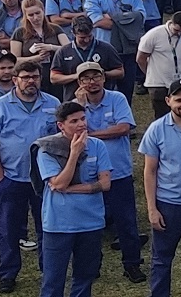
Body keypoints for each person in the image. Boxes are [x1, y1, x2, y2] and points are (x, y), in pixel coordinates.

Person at [0, 58, 60, 293]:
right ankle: (8, 273)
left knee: (47, 227)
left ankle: (50, 269)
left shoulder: (53, 103)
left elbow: (59, 138)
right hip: (12, 178)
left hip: (44, 179)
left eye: (35, 76)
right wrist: (0, 176)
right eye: (25, 78)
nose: (31, 81)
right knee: (8, 228)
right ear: (15, 80)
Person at [70, 61, 145, 283]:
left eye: (95, 77)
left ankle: (132, 264)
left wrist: (91, 135)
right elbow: (73, 132)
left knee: (126, 222)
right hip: (89, 174)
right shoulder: (75, 106)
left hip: (118, 172)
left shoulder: (117, 98)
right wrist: (81, 107)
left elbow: (124, 128)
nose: (91, 82)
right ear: (79, 83)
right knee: (91, 224)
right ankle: (92, 266)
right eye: (85, 78)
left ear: (104, 78)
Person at [35, 100, 111, 297]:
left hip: (91, 222)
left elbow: (105, 184)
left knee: (85, 277)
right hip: (59, 224)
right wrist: (75, 153)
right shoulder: (47, 148)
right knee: (53, 280)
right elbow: (59, 183)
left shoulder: (98, 146)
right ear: (61, 125)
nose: (81, 124)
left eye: (83, 119)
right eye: (74, 121)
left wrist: (71, 189)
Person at [50, 15, 124, 101]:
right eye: (82, 37)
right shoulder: (64, 51)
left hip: (103, 100)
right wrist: (77, 76)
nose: (87, 40)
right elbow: (54, 78)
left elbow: (120, 72)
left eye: (89, 36)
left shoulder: (106, 48)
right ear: (73, 33)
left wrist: (101, 74)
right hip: (73, 100)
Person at [137, 11, 181, 120]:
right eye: (176, 30)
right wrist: (149, 72)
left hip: (180, 80)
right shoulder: (154, 34)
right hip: (158, 83)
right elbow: (141, 58)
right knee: (162, 117)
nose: (178, 34)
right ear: (171, 23)